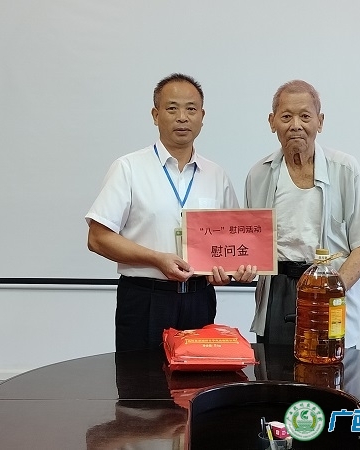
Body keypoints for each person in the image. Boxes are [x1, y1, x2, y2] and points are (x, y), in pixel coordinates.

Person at [86, 73, 256, 352]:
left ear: (202, 116)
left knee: (198, 378)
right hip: (145, 299)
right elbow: (97, 238)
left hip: (199, 300)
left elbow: (230, 244)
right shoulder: (129, 168)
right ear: (155, 115)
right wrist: (156, 259)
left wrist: (232, 272)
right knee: (139, 379)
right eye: (172, 108)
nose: (182, 117)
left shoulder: (216, 175)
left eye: (191, 109)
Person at [245, 79, 360, 348]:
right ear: (272, 122)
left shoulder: (345, 170)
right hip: (277, 290)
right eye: (286, 117)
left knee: (330, 369)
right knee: (273, 369)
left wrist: (331, 291)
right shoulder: (258, 174)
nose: (295, 125)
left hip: (329, 288)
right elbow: (251, 244)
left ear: (320, 122)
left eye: (305, 116)